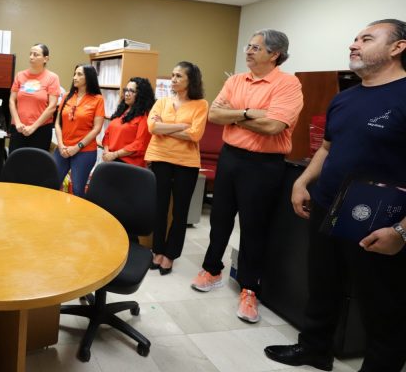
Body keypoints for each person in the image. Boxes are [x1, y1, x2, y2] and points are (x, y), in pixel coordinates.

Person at [264, 19, 406, 372]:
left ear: (397, 47)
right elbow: (327, 148)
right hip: (328, 205)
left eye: (366, 39)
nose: (354, 44)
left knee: (382, 305)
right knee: (322, 284)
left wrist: (402, 231)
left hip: (379, 218)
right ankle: (314, 349)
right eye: (355, 38)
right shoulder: (344, 98)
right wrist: (303, 181)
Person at [190, 29, 303, 324]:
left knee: (253, 227)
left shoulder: (288, 83)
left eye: (256, 48)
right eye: (248, 46)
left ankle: (250, 288)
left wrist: (236, 114)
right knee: (220, 219)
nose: (248, 51)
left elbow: (274, 126)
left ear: (274, 54)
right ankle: (212, 269)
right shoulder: (235, 81)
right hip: (231, 157)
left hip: (264, 164)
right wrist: (253, 112)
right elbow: (214, 115)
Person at [145, 62, 208, 275]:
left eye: (179, 76)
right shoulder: (162, 101)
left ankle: (170, 255)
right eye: (172, 75)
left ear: (191, 80)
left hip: (186, 163)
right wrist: (181, 126)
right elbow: (152, 127)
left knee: (180, 212)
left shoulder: (201, 105)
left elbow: (195, 134)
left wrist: (165, 128)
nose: (173, 79)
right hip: (160, 158)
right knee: (159, 208)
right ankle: (157, 251)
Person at [54, 64, 105, 197]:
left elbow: (97, 129)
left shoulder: (98, 99)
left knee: (77, 189)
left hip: (84, 151)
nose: (74, 77)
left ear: (89, 77)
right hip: (63, 148)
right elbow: (58, 123)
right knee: (52, 184)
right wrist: (60, 145)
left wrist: (77, 147)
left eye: (79, 74)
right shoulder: (67, 96)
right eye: (75, 74)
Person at [8, 43, 60, 153]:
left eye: (36, 55)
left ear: (45, 59)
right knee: (15, 160)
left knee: (36, 162)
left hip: (41, 129)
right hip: (19, 128)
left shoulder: (52, 78)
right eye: (30, 54)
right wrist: (17, 122)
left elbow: (52, 106)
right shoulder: (20, 75)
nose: (31, 57)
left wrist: (33, 127)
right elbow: (12, 100)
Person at [101, 77, 154, 166]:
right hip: (111, 159)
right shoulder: (122, 111)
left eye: (132, 91)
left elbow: (139, 144)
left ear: (141, 95)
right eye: (126, 90)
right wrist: (107, 152)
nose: (127, 94)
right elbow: (107, 134)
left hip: (129, 164)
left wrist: (115, 154)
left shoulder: (144, 117)